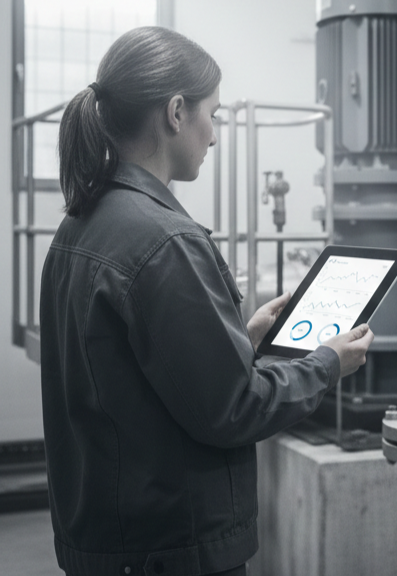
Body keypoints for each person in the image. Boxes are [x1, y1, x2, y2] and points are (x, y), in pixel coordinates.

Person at [39, 27, 372, 576]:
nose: (214, 135)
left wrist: (242, 339)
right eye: (212, 115)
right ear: (176, 113)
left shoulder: (79, 225)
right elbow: (235, 409)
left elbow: (129, 373)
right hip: (172, 550)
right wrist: (327, 364)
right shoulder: (165, 241)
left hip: (106, 540)